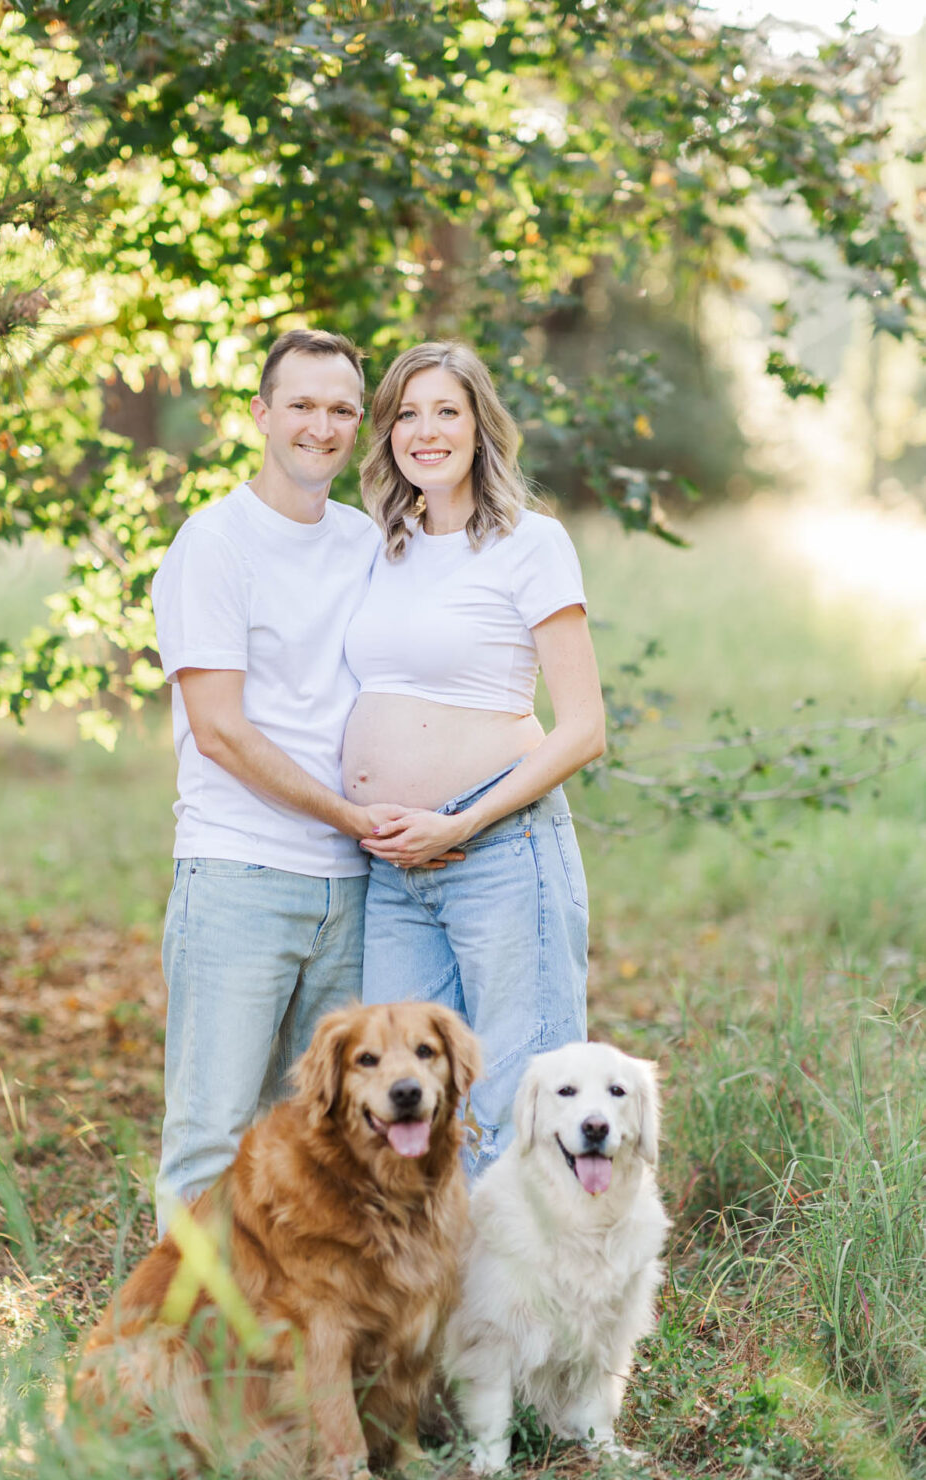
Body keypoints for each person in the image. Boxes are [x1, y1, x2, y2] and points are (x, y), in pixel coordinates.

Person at [150, 329, 410, 1232]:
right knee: (212, 1139)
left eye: (342, 409)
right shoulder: (214, 544)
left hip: (355, 885)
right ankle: (188, 1356)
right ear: (262, 415)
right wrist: (347, 812)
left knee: (319, 1139)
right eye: (301, 404)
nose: (321, 425)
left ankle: (289, 1354)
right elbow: (220, 729)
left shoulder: (368, 542)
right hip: (242, 875)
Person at [343, 341, 606, 1178]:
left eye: (446, 411)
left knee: (520, 1098)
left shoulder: (531, 543)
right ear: (386, 434)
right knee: (406, 1105)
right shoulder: (381, 548)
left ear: (480, 424)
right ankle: (443, 1307)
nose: (426, 431)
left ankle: (538, 1308)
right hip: (393, 870)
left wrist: (460, 821)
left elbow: (584, 728)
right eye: (407, 414)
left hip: (498, 852)